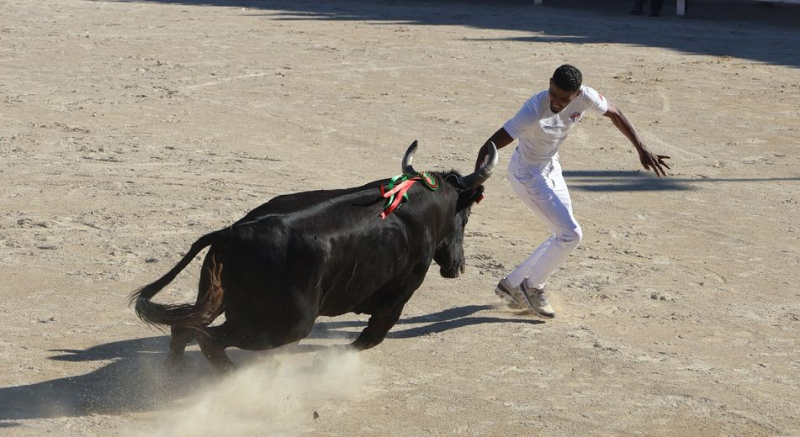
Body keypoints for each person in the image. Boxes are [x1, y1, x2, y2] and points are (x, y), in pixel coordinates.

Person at [475, 64, 670, 318]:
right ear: (549, 84)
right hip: (526, 174)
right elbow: (489, 145)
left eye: (563, 99)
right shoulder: (533, 109)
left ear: (576, 95)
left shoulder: (586, 96)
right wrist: (475, 183)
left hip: (551, 167)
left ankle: (512, 284)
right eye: (553, 94)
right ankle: (532, 287)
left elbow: (615, 112)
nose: (556, 102)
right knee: (571, 234)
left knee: (562, 234)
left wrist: (642, 148)